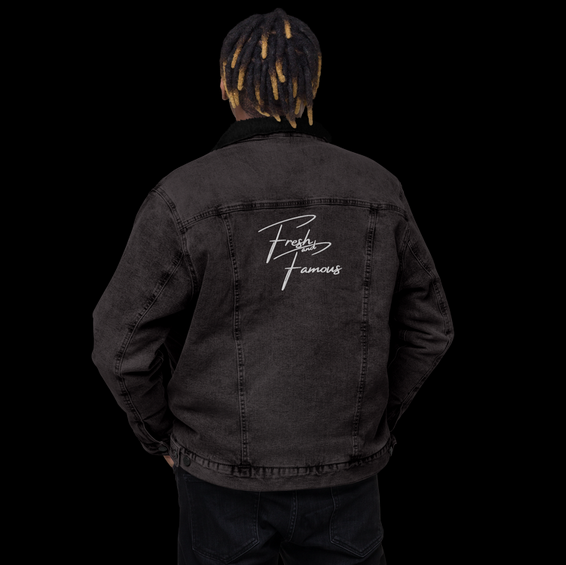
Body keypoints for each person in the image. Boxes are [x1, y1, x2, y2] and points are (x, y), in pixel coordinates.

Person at [92, 7, 454, 564]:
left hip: (219, 478)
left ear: (224, 85)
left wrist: (162, 438)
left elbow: (119, 346)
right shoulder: (378, 189)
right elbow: (431, 329)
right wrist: (370, 421)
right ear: (313, 85)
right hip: (346, 476)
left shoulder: (184, 195)